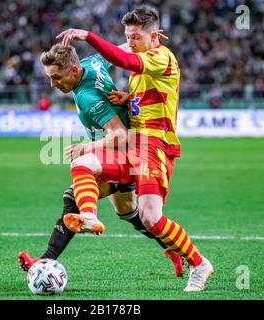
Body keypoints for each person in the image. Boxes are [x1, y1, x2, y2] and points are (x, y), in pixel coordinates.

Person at [56, 6, 214, 291]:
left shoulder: (161, 57)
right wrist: (129, 98)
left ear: (154, 36)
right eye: (127, 37)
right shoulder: (144, 57)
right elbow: (152, 89)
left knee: (150, 217)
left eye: (136, 38)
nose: (130, 43)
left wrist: (88, 36)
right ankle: (89, 217)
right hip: (132, 143)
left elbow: (123, 59)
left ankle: (198, 263)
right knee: (83, 163)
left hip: (155, 146)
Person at [17, 43, 184, 277]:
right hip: (131, 149)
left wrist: (87, 148)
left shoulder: (87, 97)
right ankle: (172, 248)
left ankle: (44, 261)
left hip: (128, 153)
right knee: (129, 212)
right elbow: (120, 49)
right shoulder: (91, 62)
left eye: (56, 77)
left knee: (74, 197)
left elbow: (120, 135)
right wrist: (148, 42)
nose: (52, 84)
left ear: (74, 70)